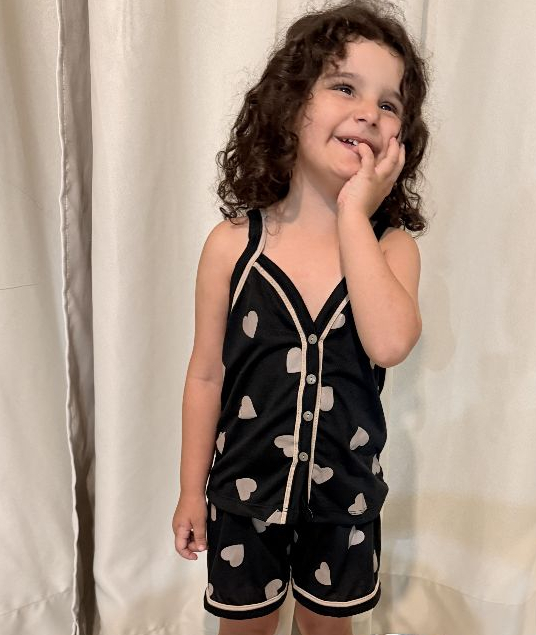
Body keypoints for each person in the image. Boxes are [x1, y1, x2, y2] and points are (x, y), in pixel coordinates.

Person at [172, 0, 430, 633]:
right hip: (242, 495)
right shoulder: (232, 247)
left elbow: (390, 343)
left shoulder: (391, 249)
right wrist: (189, 490)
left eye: (389, 104)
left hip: (345, 503)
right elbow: (206, 376)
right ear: (290, 105)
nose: (369, 112)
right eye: (345, 87)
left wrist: (353, 214)